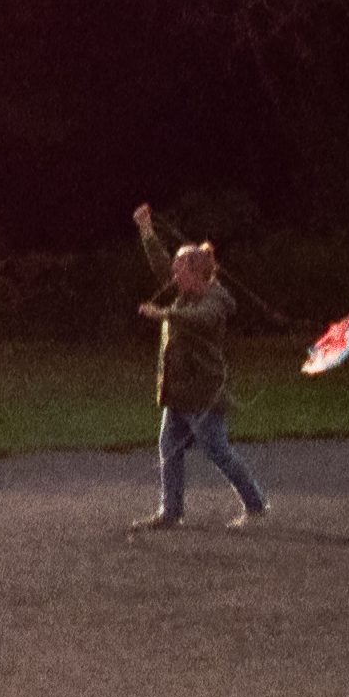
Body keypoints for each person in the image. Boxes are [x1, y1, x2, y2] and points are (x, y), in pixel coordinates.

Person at [131, 202, 269, 530]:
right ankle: (171, 511)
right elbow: (162, 266)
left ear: (197, 274)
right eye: (176, 269)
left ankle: (256, 506)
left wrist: (164, 313)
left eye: (181, 270)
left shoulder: (215, 299)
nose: (174, 275)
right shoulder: (185, 291)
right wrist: (146, 230)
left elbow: (202, 320)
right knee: (168, 450)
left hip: (204, 395)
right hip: (178, 393)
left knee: (218, 452)